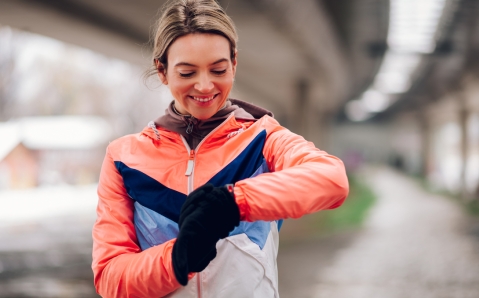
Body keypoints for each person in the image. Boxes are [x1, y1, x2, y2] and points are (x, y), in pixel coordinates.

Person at [91, 0, 349, 297]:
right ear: (162, 71)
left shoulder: (263, 138)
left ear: (234, 64)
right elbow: (110, 278)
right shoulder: (123, 157)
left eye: (218, 69)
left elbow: (332, 180)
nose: (204, 86)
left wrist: (233, 203)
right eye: (187, 73)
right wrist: (176, 260)